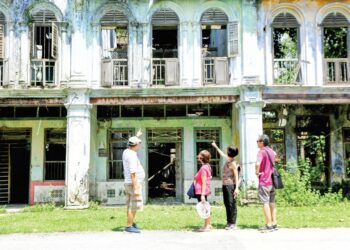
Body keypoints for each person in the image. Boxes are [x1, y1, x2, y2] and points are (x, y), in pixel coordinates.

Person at [212, 141, 240, 230]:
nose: (226, 151)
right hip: (225, 185)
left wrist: (236, 188)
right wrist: (216, 146)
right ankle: (229, 222)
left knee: (232, 204)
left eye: (227, 150)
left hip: (230, 185)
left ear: (230, 152)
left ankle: (233, 223)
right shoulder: (228, 160)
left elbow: (236, 176)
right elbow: (222, 154)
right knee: (227, 203)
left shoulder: (233, 163)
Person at [123, 129, 145, 233]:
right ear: (135, 145)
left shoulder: (127, 151)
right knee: (134, 205)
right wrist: (136, 188)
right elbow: (133, 173)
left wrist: (137, 135)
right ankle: (129, 226)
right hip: (133, 184)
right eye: (139, 144)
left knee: (130, 204)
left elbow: (132, 141)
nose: (139, 146)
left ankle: (131, 222)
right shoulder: (131, 155)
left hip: (129, 183)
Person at [256, 134, 278, 233]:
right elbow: (277, 158)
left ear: (262, 142)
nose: (257, 143)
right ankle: (274, 223)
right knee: (272, 202)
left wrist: (257, 172)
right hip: (273, 181)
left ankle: (268, 225)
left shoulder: (261, 152)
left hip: (264, 181)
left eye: (258, 141)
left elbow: (257, 164)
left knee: (265, 202)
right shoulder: (271, 151)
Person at [194, 150, 212, 232]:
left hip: (201, 191)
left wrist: (202, 194)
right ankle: (207, 224)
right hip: (201, 190)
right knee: (205, 208)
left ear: (202, 157)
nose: (198, 156)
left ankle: (207, 226)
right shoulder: (206, 166)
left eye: (199, 154)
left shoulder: (204, 168)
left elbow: (204, 181)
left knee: (204, 208)